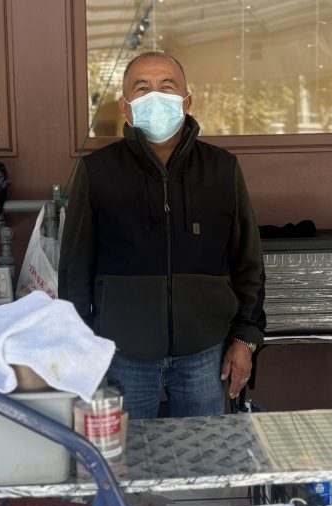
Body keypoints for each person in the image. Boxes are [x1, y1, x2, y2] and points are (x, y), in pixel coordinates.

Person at [59, 51, 265, 419]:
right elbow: (74, 270)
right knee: (128, 464)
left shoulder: (222, 169)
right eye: (142, 88)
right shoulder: (97, 172)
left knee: (202, 461)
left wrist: (245, 338)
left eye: (166, 87)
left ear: (186, 102)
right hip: (122, 355)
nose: (155, 95)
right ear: (125, 107)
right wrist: (83, 345)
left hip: (205, 354)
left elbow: (247, 262)